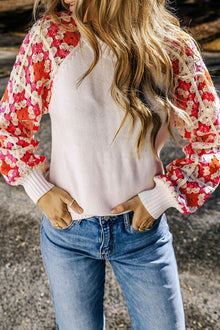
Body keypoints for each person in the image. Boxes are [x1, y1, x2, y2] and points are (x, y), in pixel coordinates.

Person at [0, 0, 219, 329]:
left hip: (142, 235)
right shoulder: (51, 39)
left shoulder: (171, 47)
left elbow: (211, 140)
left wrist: (161, 198)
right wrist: (38, 187)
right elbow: (12, 125)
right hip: (68, 235)